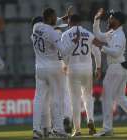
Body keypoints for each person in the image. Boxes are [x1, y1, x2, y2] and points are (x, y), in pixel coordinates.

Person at [92, 8, 127, 137]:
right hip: (119, 68)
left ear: (117, 20)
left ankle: (107, 129)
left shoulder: (119, 35)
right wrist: (96, 20)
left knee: (107, 98)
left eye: (111, 17)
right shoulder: (112, 32)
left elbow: (116, 53)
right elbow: (98, 35)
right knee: (120, 97)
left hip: (116, 68)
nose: (109, 19)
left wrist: (101, 47)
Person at [31, 8, 79, 139]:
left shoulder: (36, 28)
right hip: (53, 68)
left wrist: (62, 18)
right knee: (57, 98)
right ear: (50, 17)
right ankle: (58, 129)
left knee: (38, 100)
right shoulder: (52, 33)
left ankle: (36, 130)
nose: (56, 18)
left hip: (39, 68)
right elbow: (63, 50)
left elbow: (52, 23)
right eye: (55, 16)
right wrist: (73, 43)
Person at [61, 14, 102, 137]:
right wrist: (98, 67)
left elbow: (63, 53)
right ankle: (90, 120)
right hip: (87, 69)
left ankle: (77, 129)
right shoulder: (89, 34)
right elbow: (97, 52)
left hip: (73, 69)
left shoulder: (66, 34)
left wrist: (65, 65)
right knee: (88, 96)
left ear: (70, 21)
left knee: (75, 100)